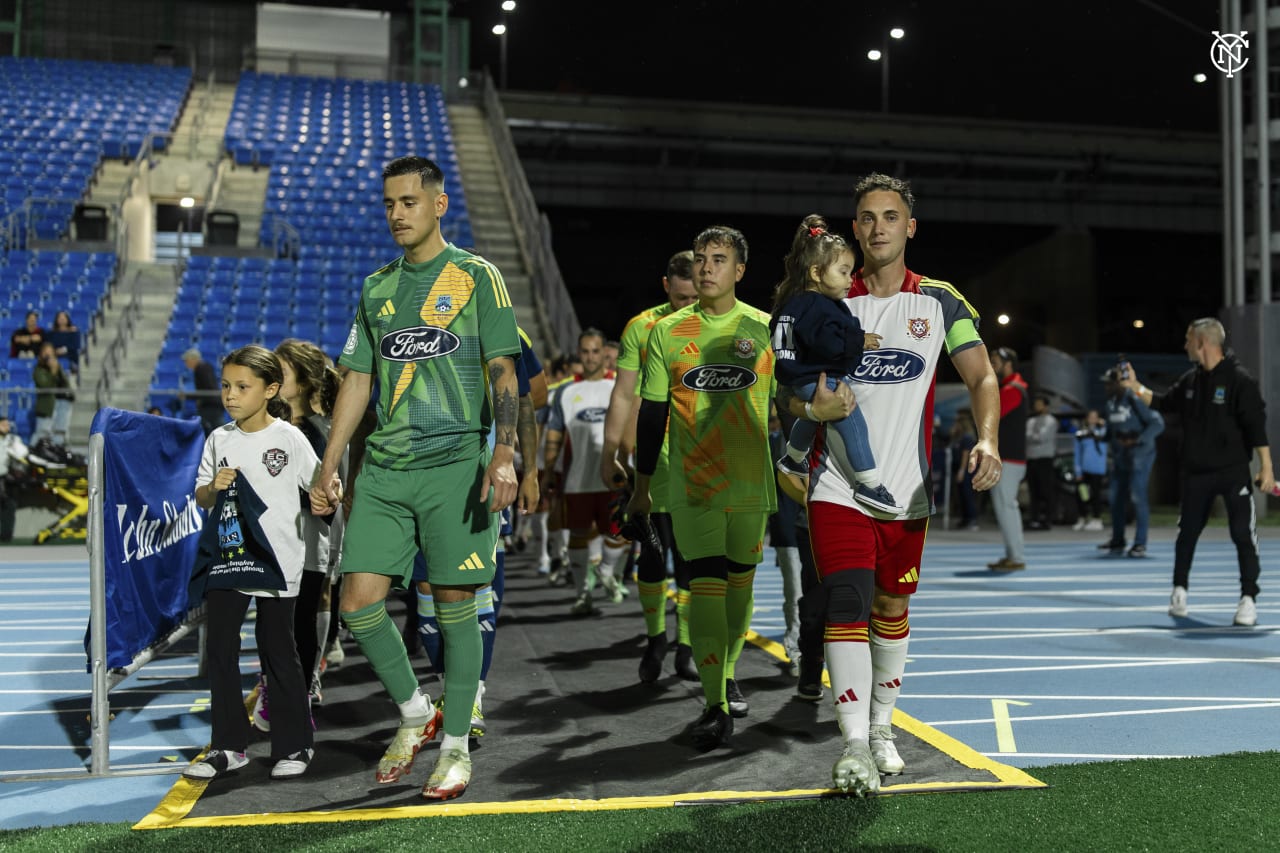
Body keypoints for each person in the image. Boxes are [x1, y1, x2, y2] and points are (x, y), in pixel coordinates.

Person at [309, 155, 521, 801]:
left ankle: (455, 746)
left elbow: (504, 373)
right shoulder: (377, 287)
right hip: (385, 467)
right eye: (389, 204)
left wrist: (505, 452)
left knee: (455, 608)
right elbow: (359, 378)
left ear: (438, 203)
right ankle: (413, 711)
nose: (397, 214)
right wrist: (331, 460)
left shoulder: (477, 276)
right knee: (357, 602)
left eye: (408, 201)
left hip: (457, 463)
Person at [790, 172, 1002, 796]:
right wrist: (807, 416)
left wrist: (987, 438)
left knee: (891, 607)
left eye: (889, 217)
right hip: (835, 485)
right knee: (848, 604)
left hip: (907, 494)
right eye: (866, 218)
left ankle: (883, 725)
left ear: (910, 227)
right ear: (852, 229)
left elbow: (983, 377)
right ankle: (854, 742)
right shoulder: (822, 300)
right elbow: (785, 394)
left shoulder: (939, 302)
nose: (877, 227)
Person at [628, 224, 776, 751]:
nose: (706, 267)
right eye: (699, 259)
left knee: (740, 589)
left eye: (718, 259)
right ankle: (715, 703)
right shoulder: (665, 333)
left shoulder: (765, 330)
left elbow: (794, 405)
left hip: (752, 484)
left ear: (739, 270)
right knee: (707, 590)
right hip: (693, 484)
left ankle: (729, 670)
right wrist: (642, 484)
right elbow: (652, 413)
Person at [185, 345, 332, 780]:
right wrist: (214, 486)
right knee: (221, 650)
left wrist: (330, 494)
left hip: (278, 561)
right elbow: (201, 496)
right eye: (227, 386)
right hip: (229, 559)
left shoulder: (289, 438)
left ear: (270, 390)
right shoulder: (219, 438)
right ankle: (229, 747)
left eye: (242, 387)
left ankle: (296, 745)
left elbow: (320, 483)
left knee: (277, 650)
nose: (230, 395)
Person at [1120, 318, 1274, 626]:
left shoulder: (1240, 380)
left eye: (1189, 339)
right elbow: (1162, 402)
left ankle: (1248, 599)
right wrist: (1134, 387)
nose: (1185, 345)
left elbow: (1256, 427)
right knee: (1186, 534)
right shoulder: (1190, 381)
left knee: (1243, 534)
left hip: (1233, 472)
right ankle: (1179, 591)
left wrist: (1267, 468)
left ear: (1203, 342)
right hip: (1195, 474)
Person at [599, 249, 700, 683]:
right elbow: (623, 394)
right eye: (679, 298)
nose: (686, 306)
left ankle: (688, 644)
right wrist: (610, 450)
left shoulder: (717, 324)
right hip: (653, 459)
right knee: (654, 555)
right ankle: (657, 638)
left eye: (693, 297)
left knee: (693, 559)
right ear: (666, 287)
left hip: (700, 460)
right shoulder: (642, 328)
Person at [770, 214, 898, 514]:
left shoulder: (795, 301)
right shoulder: (816, 305)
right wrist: (858, 340)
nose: (849, 279)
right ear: (816, 272)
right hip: (815, 377)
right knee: (850, 417)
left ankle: (792, 457)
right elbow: (826, 343)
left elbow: (788, 340)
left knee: (813, 416)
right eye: (843, 271)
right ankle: (869, 484)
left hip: (799, 377)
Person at [542, 327, 630, 615]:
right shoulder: (566, 391)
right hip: (577, 480)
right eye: (585, 352)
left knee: (623, 532)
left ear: (604, 353)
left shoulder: (620, 386)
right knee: (579, 536)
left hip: (614, 478)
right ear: (579, 354)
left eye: (596, 351)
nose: (591, 357)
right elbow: (554, 435)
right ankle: (583, 595)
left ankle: (606, 570)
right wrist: (546, 473)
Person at [1098, 367, 1164, 558]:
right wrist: (1100, 436)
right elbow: (1112, 429)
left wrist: (1138, 439)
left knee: (1137, 496)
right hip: (1120, 456)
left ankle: (1140, 543)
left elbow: (1157, 423)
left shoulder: (1135, 398)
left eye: (1110, 383)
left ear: (1120, 383)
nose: (1106, 387)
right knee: (1115, 497)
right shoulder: (1110, 403)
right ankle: (1118, 540)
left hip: (1140, 455)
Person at [987, 347, 1028, 571]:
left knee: (1006, 507)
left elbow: (992, 412)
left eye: (995, 362)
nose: (992, 366)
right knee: (1005, 507)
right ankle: (1014, 555)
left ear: (1008, 364)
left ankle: (1017, 557)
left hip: (1009, 459)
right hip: (1010, 458)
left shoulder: (1013, 389)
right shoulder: (1013, 387)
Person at [1025, 394, 1058, 530]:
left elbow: (1042, 437)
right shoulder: (1030, 421)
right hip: (1031, 458)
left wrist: (1034, 437)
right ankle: (1034, 519)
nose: (1036, 406)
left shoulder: (1051, 421)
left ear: (1046, 406)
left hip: (1045, 458)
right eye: (1035, 404)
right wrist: (1034, 437)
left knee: (1046, 490)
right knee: (1033, 490)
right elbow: (1027, 436)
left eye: (1039, 404)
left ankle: (1048, 519)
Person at [1071, 409, 1107, 532]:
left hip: (1098, 470)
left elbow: (1106, 434)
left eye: (1095, 417)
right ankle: (1082, 518)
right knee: (1082, 494)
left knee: (1096, 495)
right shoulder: (1081, 434)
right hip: (1084, 470)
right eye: (1090, 417)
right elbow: (1077, 454)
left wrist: (1103, 424)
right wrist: (1078, 471)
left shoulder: (1103, 431)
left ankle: (1097, 519)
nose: (1092, 419)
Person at [31, 342, 73, 447]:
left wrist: (58, 370)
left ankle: (56, 452)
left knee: (59, 432)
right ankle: (33, 450)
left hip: (60, 406)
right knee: (42, 432)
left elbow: (66, 385)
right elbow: (45, 385)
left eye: (50, 353)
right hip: (46, 407)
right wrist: (53, 372)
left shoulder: (57, 368)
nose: (49, 357)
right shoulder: (38, 370)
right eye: (46, 353)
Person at [950, 409, 980, 530]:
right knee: (961, 494)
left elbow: (965, 454)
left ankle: (972, 519)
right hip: (958, 467)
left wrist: (962, 470)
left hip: (967, 469)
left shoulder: (967, 437)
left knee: (967, 494)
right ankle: (965, 518)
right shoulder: (958, 437)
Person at [184, 348, 225, 435]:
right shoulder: (204, 367)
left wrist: (187, 396)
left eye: (186, 360)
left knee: (204, 428)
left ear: (193, 359)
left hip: (210, 404)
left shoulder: (201, 368)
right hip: (211, 403)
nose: (186, 363)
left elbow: (207, 388)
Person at [0, 415, 28, 542]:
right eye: (3, 424)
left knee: (8, 505)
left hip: (4, 478)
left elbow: (23, 453)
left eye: (7, 424)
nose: (7, 427)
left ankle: (6, 536)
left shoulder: (12, 439)